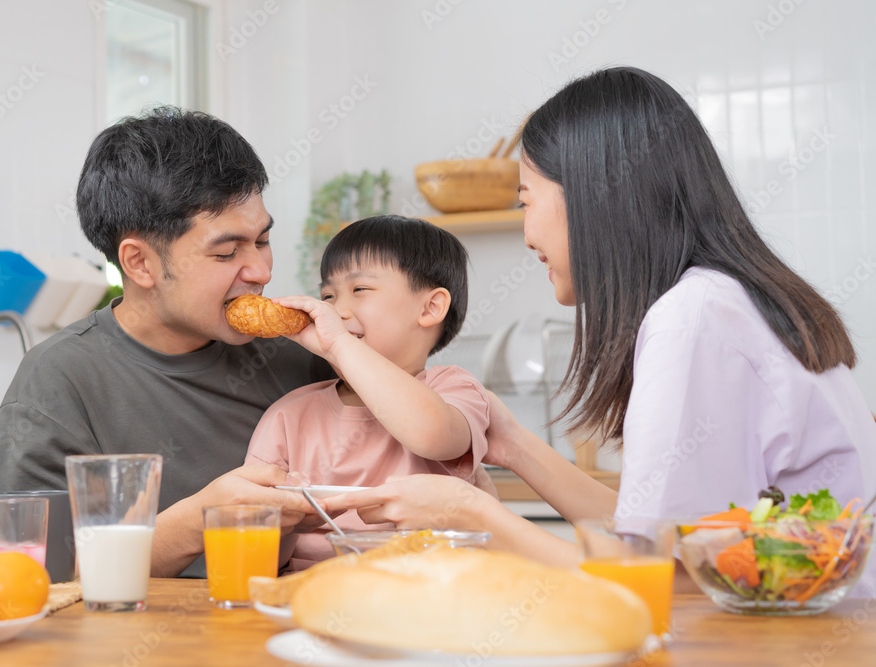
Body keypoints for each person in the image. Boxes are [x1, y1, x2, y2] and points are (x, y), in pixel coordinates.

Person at [324, 67, 876, 594]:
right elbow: (660, 539)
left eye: (526, 201)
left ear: (592, 196)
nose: (527, 235)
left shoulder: (692, 318)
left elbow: (665, 580)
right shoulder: (717, 298)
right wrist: (512, 443)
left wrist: (468, 513)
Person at [0, 107, 336, 578]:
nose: (261, 271)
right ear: (140, 264)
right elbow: (37, 577)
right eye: (226, 252)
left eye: (263, 240)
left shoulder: (304, 355)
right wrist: (200, 521)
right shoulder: (57, 381)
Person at [246, 215, 496, 570]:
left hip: (429, 596)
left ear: (430, 307)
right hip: (309, 593)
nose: (337, 309)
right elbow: (252, 551)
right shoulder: (289, 415)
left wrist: (338, 344)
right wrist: (284, 523)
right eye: (327, 295)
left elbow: (433, 436)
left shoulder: (455, 391)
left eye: (359, 290)